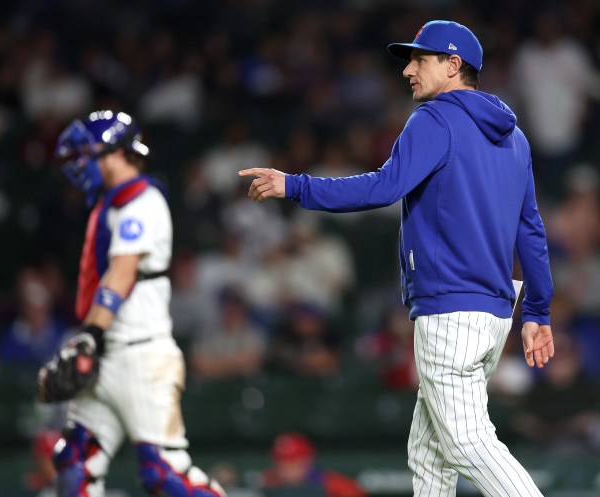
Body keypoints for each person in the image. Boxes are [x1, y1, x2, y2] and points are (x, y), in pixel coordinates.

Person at [239, 20, 555, 497]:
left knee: (468, 442)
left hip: (450, 306)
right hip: (493, 311)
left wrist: (295, 184)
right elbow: (529, 227)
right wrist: (537, 311)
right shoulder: (515, 137)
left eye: (419, 59)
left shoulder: (434, 118)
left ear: (453, 65)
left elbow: (384, 187)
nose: (408, 69)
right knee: (428, 453)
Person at [39, 110, 226, 497]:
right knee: (74, 464)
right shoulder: (113, 201)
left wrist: (89, 335)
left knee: (165, 475)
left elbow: (122, 272)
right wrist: (88, 341)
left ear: (116, 153)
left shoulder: (143, 200)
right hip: (108, 354)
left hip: (142, 356)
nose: (81, 167)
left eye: (87, 156)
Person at [258, 432, 367, 497]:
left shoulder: (331, 484)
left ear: (306, 461)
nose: (285, 467)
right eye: (280, 461)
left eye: (291, 461)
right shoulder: (267, 481)